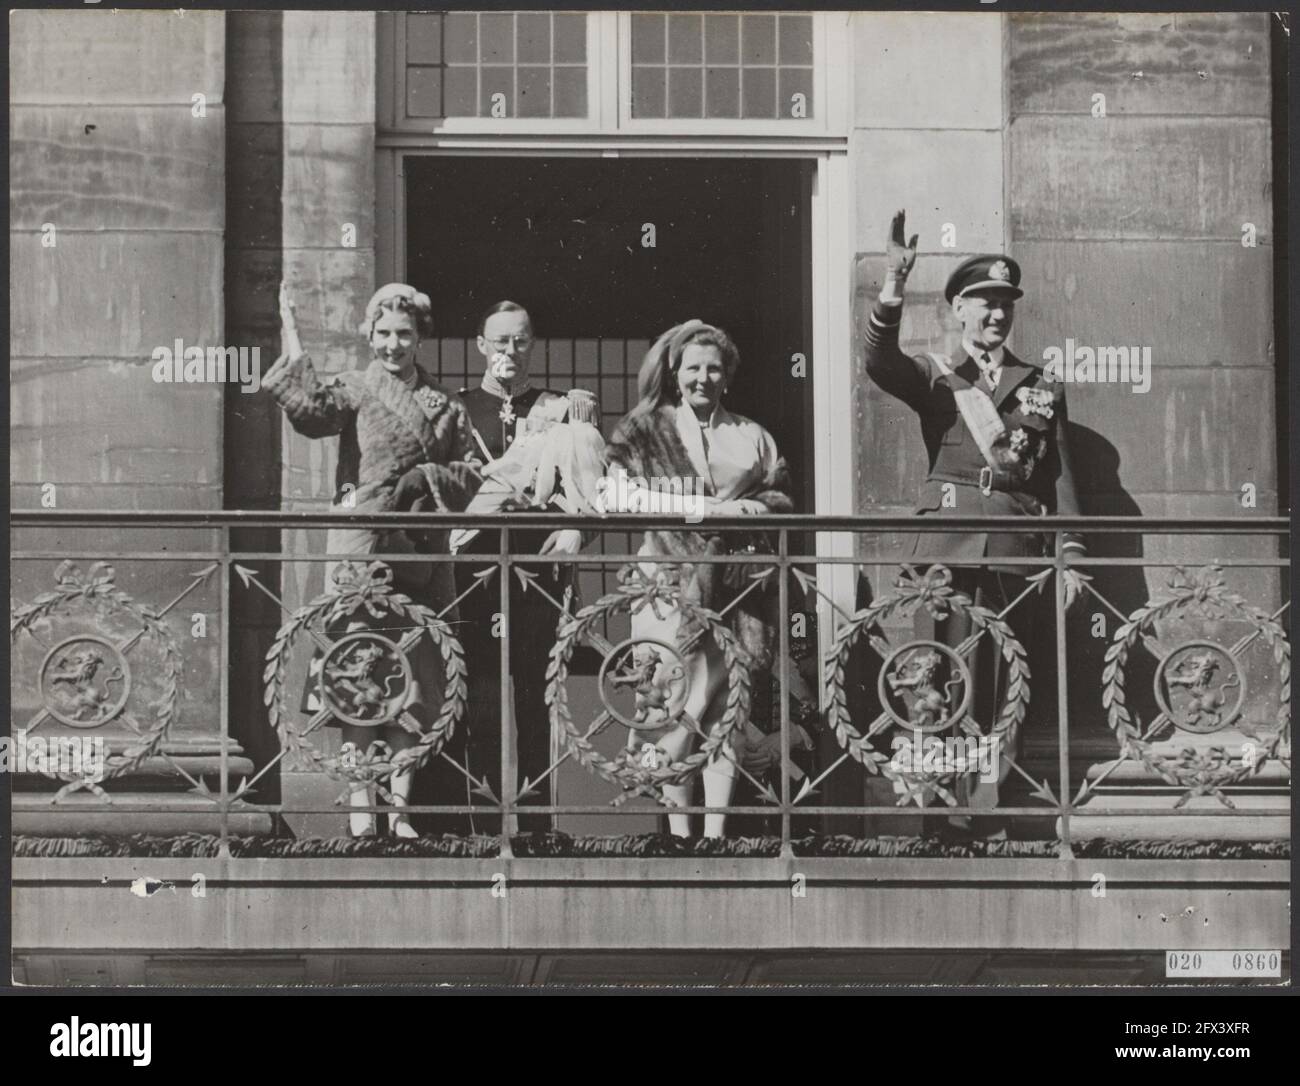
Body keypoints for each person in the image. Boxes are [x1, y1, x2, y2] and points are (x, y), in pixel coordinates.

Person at [862, 211, 1086, 834]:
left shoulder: (1040, 384)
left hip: (1015, 547)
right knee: (937, 678)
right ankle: (937, 815)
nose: (995, 315)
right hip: (947, 547)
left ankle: (988, 814)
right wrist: (893, 285)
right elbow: (880, 364)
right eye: (982, 303)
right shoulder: (939, 376)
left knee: (1003, 686)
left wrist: (1069, 549)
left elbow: (1060, 476)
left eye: (1004, 305)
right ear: (958, 310)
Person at [264, 282, 483, 837]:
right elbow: (312, 413)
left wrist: (427, 478)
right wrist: (293, 335)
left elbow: (474, 472)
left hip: (418, 549)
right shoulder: (358, 388)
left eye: (403, 334)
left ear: (420, 338)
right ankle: (363, 811)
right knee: (356, 674)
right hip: (361, 548)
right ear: (369, 335)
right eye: (383, 333)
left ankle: (402, 810)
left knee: (411, 681)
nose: (393, 344)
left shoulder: (446, 405)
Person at [600, 320, 793, 838]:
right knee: (669, 703)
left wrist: (754, 506)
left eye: (713, 368)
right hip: (664, 586)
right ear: (674, 372)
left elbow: (781, 499)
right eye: (693, 368)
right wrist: (697, 509)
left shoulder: (752, 435)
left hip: (734, 587)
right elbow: (612, 498)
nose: (702, 378)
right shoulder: (644, 429)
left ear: (727, 376)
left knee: (725, 708)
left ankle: (715, 835)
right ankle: (680, 834)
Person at [451, 301, 598, 834]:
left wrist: (576, 528)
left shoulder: (562, 407)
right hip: (473, 573)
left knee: (539, 701)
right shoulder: (456, 408)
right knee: (481, 699)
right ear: (481, 346)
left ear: (532, 344)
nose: (509, 351)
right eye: (499, 341)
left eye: (520, 340)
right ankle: (485, 830)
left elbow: (589, 487)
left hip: (540, 571)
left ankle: (538, 828)